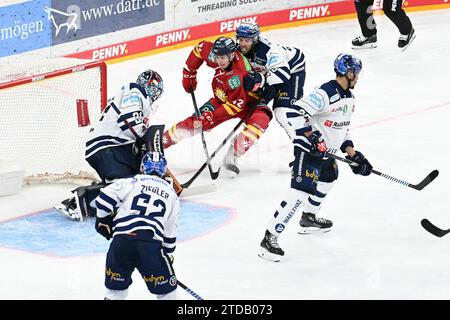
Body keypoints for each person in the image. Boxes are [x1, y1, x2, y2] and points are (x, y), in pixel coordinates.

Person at [258, 53, 373, 262]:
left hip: (326, 152)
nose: (357, 78)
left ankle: (308, 218)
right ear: (347, 73)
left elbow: (341, 129)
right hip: (308, 151)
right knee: (300, 192)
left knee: (329, 178)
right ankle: (269, 238)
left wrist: (354, 155)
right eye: (356, 73)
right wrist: (313, 137)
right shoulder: (324, 93)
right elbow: (294, 113)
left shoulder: (349, 98)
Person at [55, 70, 165, 221]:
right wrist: (145, 140)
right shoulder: (134, 91)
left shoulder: (139, 98)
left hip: (112, 147)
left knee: (136, 182)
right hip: (108, 146)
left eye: (156, 91)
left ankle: (101, 187)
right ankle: (78, 202)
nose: (154, 93)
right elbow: (128, 121)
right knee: (125, 187)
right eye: (153, 88)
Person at [163, 36, 272, 176]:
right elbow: (200, 48)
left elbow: (235, 107)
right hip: (223, 100)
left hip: (249, 103)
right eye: (217, 57)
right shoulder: (218, 55)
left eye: (222, 58)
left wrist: (212, 116)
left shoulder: (238, 75)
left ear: (232, 55)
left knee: (261, 120)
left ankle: (232, 155)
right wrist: (189, 72)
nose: (219, 61)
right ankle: (160, 143)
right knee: (195, 122)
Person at [94, 151, 180, 300]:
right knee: (167, 294)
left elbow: (103, 200)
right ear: (164, 170)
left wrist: (103, 220)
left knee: (115, 293)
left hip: (121, 244)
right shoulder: (171, 194)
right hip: (150, 246)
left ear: (142, 167)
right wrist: (167, 254)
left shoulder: (132, 182)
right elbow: (170, 232)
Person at [234, 22, 307, 140]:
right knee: (252, 105)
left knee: (284, 112)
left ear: (255, 40)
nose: (243, 44)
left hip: (292, 70)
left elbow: (283, 74)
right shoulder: (238, 52)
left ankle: (304, 144)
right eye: (241, 40)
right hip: (271, 73)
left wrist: (261, 80)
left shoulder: (268, 50)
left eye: (247, 41)